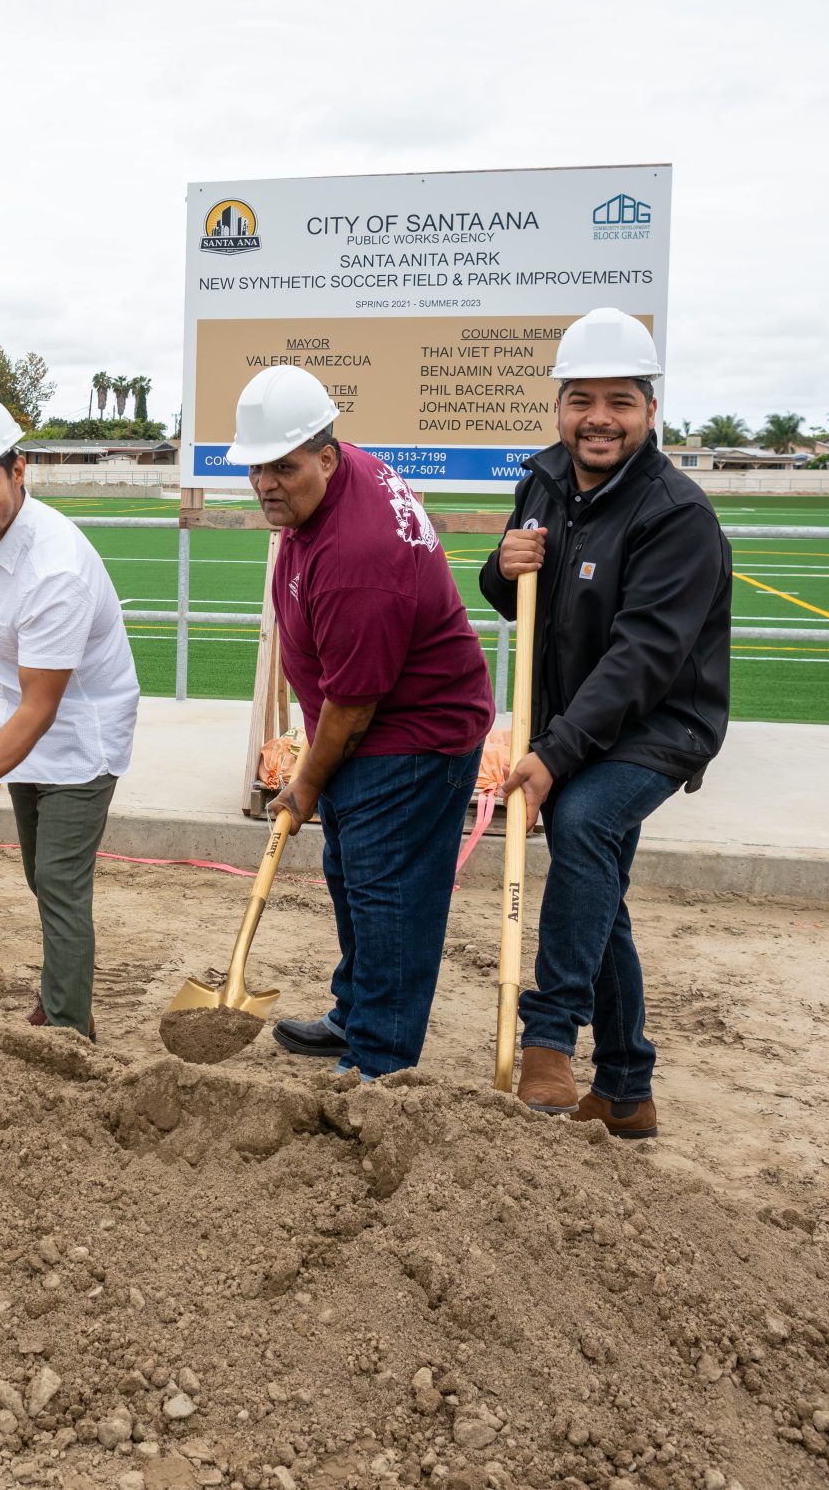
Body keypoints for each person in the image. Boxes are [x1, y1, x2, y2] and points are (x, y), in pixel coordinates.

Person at [479, 307, 731, 1139]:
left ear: (650, 411)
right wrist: (498, 566)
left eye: (620, 401)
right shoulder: (544, 481)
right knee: (603, 895)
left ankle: (549, 1036)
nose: (599, 418)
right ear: (558, 405)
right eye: (582, 399)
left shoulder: (676, 513)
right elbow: (520, 596)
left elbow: (643, 658)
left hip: (659, 724)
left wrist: (551, 753)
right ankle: (626, 1088)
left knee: (585, 824)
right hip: (575, 721)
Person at [229, 366, 496, 1082]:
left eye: (282, 467)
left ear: (324, 454)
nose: (265, 484)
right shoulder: (338, 482)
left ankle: (379, 1062)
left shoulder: (359, 557)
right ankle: (356, 1013)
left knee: (391, 899)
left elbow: (355, 705)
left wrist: (305, 781)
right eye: (256, 468)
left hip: (409, 737)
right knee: (353, 876)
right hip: (369, 731)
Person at [0, 392, 139, 1038]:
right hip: (26, 727)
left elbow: (43, 708)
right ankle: (60, 991)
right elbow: (3, 619)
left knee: (60, 883)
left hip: (78, 737)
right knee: (42, 877)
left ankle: (70, 1031)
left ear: (19, 473)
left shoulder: (56, 569)